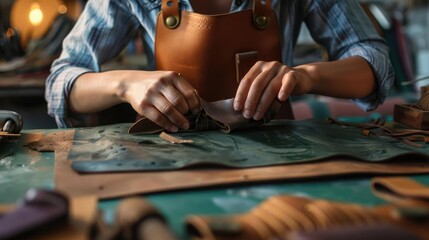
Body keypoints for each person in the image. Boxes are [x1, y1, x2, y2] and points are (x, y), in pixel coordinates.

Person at [46, 0, 394, 131]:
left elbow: (375, 64)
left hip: (278, 161)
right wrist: (124, 84)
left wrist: (304, 76)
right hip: (169, 162)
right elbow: (62, 82)